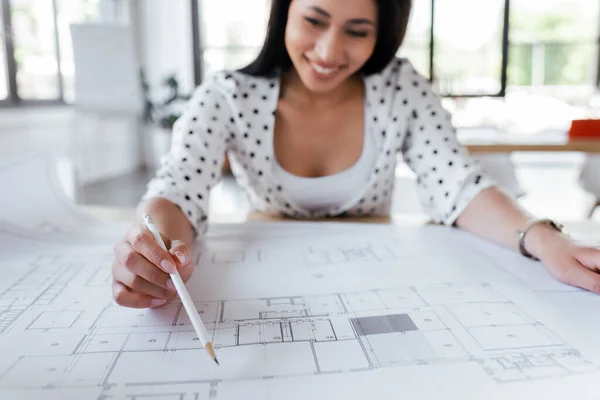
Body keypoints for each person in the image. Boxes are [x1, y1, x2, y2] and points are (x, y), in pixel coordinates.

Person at [111, 0, 600, 309]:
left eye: (357, 31)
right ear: (284, 12)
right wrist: (155, 252)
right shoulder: (226, 94)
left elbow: (457, 183)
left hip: (376, 282)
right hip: (269, 279)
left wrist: (543, 240)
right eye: (314, 21)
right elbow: (177, 189)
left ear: (382, 33)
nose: (329, 51)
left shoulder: (400, 87)